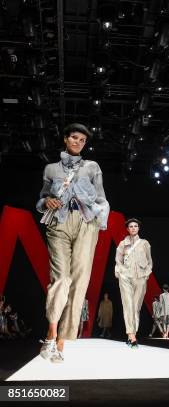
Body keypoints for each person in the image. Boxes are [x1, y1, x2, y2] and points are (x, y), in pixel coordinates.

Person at [37, 123, 110, 363]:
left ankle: (60, 342)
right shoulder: (51, 168)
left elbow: (101, 198)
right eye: (74, 138)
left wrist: (98, 220)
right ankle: (51, 332)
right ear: (66, 139)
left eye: (82, 140)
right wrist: (47, 201)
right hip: (59, 222)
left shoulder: (92, 167)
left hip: (86, 224)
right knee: (61, 278)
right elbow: (42, 197)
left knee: (79, 282)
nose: (78, 142)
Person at [115, 218, 153, 348]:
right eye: (130, 226)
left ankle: (132, 333)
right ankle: (132, 336)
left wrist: (147, 274)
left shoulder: (144, 243)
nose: (133, 228)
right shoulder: (122, 244)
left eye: (135, 226)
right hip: (126, 277)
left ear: (138, 228)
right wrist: (120, 273)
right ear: (127, 228)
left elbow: (150, 261)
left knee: (136, 307)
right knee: (128, 306)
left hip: (140, 278)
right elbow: (118, 261)